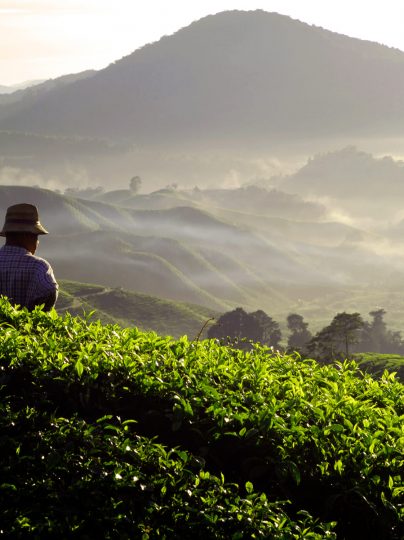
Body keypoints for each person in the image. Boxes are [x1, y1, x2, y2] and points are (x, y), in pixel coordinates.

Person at [0, 203, 58, 311]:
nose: (37, 243)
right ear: (26, 235)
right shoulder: (38, 267)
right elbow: (49, 289)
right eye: (36, 237)